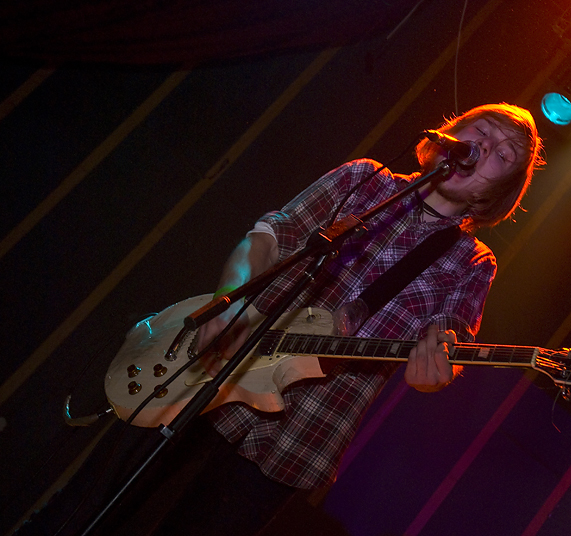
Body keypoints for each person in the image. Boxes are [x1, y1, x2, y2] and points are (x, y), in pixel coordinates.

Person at [18, 103, 542, 536]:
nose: (487, 146)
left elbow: (447, 339)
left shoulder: (472, 263)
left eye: (504, 155)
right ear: (450, 136)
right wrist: (228, 303)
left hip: (297, 434)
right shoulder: (365, 180)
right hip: (212, 368)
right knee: (89, 510)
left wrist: (437, 369)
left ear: (495, 193)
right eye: (482, 131)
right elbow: (270, 235)